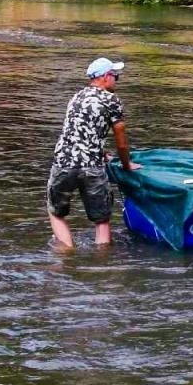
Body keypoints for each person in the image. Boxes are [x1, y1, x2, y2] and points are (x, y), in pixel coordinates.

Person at [47, 57, 139, 250]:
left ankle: (66, 255)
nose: (117, 80)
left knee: (56, 213)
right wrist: (126, 165)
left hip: (63, 162)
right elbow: (121, 141)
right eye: (116, 76)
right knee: (102, 220)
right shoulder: (111, 100)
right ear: (105, 77)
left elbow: (76, 131)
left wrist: (101, 151)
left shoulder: (76, 98)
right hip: (91, 166)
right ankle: (101, 263)